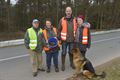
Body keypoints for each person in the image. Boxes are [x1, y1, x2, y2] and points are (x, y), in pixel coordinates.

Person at [58, 6, 77, 71]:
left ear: (71, 12)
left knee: (71, 52)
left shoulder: (75, 19)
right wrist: (59, 37)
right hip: (64, 40)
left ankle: (71, 64)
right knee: (63, 52)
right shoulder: (62, 19)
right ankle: (63, 65)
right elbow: (59, 29)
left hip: (72, 40)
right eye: (67, 11)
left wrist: (87, 24)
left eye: (69, 11)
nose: (68, 12)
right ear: (65, 12)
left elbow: (81, 24)